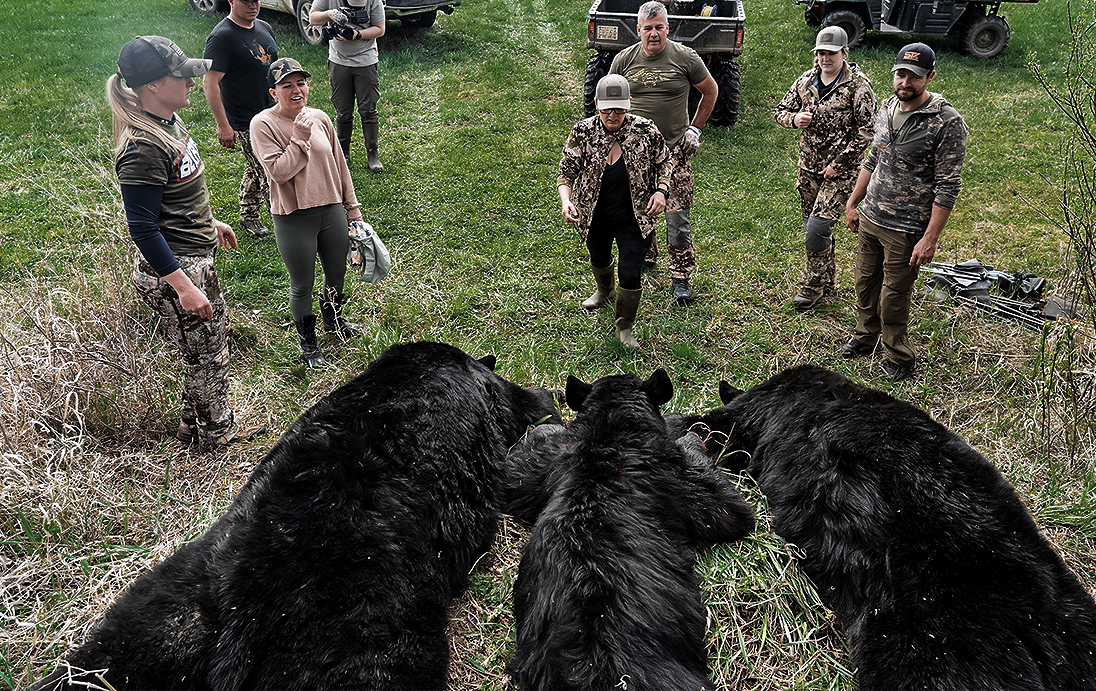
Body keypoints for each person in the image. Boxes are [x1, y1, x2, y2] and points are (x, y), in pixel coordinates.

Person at [108, 36, 266, 449]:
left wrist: (210, 223)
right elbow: (142, 227)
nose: (193, 82)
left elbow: (175, 197)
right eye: (183, 76)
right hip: (177, 268)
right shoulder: (142, 147)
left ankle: (192, 428)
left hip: (195, 254)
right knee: (209, 356)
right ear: (154, 86)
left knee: (200, 352)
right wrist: (183, 287)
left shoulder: (167, 123)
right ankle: (218, 434)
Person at [843, 43, 967, 381]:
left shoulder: (946, 122)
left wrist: (930, 238)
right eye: (901, 74)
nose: (905, 82)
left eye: (914, 76)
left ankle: (899, 355)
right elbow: (873, 158)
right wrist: (854, 203)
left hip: (906, 226)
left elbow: (948, 186)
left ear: (929, 76)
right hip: (871, 216)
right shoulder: (886, 108)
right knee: (865, 283)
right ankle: (865, 336)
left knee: (894, 295)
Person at [250, 58, 365, 368]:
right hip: (294, 217)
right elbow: (278, 172)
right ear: (273, 92)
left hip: (331, 210)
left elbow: (340, 166)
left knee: (337, 274)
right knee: (302, 284)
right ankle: (309, 346)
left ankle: (334, 322)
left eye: (300, 83)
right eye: (286, 85)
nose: (296, 90)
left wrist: (352, 209)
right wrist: (299, 137)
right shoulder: (263, 124)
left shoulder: (320, 117)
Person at [609, 0, 717, 304]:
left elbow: (710, 91)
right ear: (638, 30)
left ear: (667, 28)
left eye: (659, 28)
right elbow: (606, 101)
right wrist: (614, 138)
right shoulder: (623, 60)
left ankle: (681, 276)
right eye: (648, 28)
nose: (654, 34)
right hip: (636, 154)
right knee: (638, 211)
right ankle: (647, 256)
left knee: (677, 218)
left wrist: (694, 129)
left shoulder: (685, 58)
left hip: (674, 152)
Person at [558, 74, 671, 350]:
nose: (613, 114)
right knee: (598, 256)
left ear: (629, 104)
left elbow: (665, 162)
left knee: (630, 271)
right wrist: (566, 201)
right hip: (594, 214)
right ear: (596, 104)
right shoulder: (583, 132)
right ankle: (604, 291)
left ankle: (625, 326)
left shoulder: (646, 130)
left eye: (619, 108)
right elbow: (565, 172)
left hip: (635, 217)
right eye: (607, 108)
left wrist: (662, 190)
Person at [774, 26, 876, 311]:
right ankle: (827, 280)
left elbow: (868, 131)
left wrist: (839, 163)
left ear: (845, 52)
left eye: (831, 53)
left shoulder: (858, 87)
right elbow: (780, 111)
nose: (824, 58)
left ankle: (813, 285)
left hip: (841, 173)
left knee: (817, 228)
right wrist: (794, 119)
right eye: (820, 52)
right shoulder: (806, 81)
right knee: (812, 227)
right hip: (808, 168)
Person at [203, 0, 278, 238]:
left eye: (256, 0)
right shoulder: (222, 38)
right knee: (269, 171)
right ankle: (285, 226)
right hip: (245, 119)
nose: (252, 5)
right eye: (245, 0)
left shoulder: (264, 27)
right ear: (231, 1)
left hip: (271, 112)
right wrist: (223, 125)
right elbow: (210, 82)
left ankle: (248, 216)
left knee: (255, 165)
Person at [309, 0, 386, 173]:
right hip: (338, 60)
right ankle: (343, 152)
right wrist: (329, 15)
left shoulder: (374, 1)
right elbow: (312, 17)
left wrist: (357, 34)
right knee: (343, 109)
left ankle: (373, 154)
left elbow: (380, 29)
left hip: (366, 60)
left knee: (368, 109)